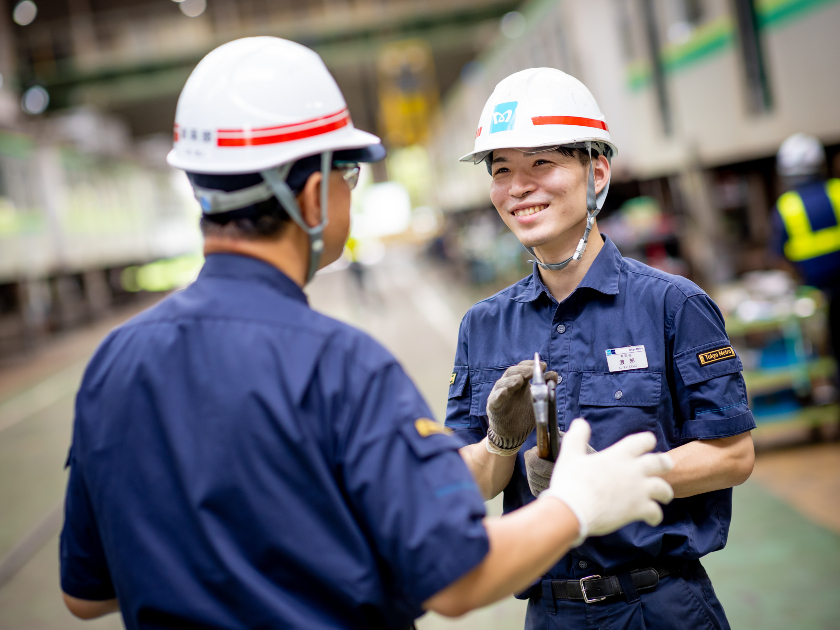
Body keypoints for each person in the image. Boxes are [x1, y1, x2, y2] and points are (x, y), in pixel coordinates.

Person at [58, 39, 675, 630]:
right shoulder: (338, 367)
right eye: (348, 177)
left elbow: (86, 594)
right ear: (313, 193)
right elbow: (457, 579)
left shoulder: (114, 362)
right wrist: (576, 505)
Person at [446, 68, 756, 630]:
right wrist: (498, 443)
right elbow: (470, 484)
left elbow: (733, 455)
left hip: (661, 605)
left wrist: (613, 479)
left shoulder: (672, 304)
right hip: (552, 612)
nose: (518, 187)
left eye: (541, 163)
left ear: (596, 172)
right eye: (501, 170)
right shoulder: (482, 326)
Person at [771, 133, 840, 367]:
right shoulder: (837, 191)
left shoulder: (786, 207)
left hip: (816, 297)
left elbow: (780, 258)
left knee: (829, 354)